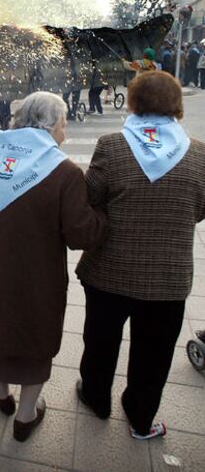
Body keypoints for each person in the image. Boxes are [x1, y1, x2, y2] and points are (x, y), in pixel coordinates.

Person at [0, 92, 107, 441]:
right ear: (49, 124)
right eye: (64, 123)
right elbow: (81, 233)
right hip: (35, 276)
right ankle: (25, 416)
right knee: (31, 331)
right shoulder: (64, 171)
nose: (65, 133)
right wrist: (104, 218)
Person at [75, 71, 205, 440]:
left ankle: (96, 399)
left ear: (132, 102)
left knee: (100, 342)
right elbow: (200, 207)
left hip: (108, 272)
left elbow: (91, 198)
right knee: (155, 354)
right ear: (177, 106)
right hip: (169, 277)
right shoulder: (200, 153)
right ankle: (140, 417)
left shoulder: (112, 145)